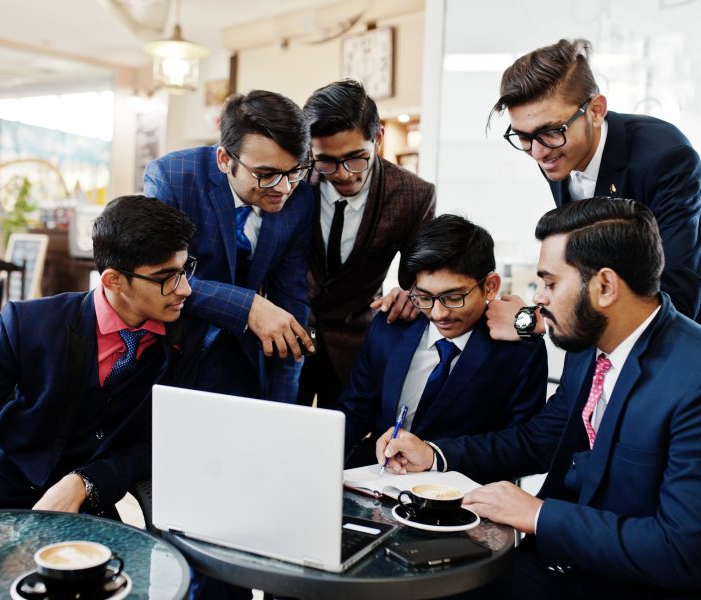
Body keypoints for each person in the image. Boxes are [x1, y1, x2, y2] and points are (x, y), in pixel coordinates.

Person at [378, 198, 701, 599]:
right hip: (555, 563)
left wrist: (539, 515)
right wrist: (434, 455)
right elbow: (537, 441)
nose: (539, 299)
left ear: (604, 286)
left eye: (549, 283)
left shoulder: (692, 378)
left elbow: (681, 550)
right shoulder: (588, 350)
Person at [0, 195, 197, 516]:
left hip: (86, 509)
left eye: (184, 271)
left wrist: (84, 482)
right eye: (164, 277)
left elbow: (155, 443)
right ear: (113, 280)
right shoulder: (28, 324)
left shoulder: (180, 340)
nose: (185, 289)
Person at [485, 38, 701, 344]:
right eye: (523, 137)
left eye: (550, 132)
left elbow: (677, 294)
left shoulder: (665, 158)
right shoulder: (554, 149)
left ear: (596, 111)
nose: (537, 152)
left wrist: (535, 321)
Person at [144, 90, 315, 403]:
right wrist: (247, 306)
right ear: (224, 159)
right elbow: (159, 277)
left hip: (247, 363)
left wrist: (283, 409)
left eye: (294, 172)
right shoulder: (174, 177)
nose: (283, 188)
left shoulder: (301, 199)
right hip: (173, 354)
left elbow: (291, 301)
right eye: (265, 175)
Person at [338, 214, 546, 467]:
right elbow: (355, 410)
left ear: (490, 286)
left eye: (453, 297)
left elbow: (524, 446)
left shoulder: (519, 349)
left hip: (462, 488)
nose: (438, 313)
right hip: (376, 473)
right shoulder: (390, 325)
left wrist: (436, 456)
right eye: (424, 297)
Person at [299, 79, 436, 409]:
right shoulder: (293, 179)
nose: (344, 174)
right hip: (288, 340)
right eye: (327, 161)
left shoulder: (414, 195)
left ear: (377, 139)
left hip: (354, 350)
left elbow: (417, 279)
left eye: (356, 158)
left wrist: (412, 295)